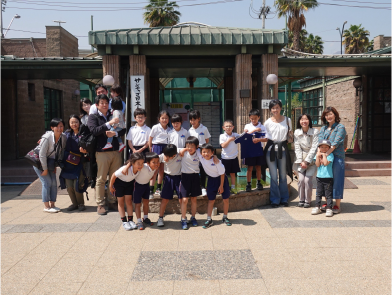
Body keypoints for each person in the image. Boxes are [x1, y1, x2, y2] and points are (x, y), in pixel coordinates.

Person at [87, 94, 125, 215]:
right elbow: (94, 130)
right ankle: (100, 204)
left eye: (106, 102)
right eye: (101, 103)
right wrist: (108, 125)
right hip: (102, 152)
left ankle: (112, 200)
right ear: (97, 105)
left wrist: (115, 134)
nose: (104, 105)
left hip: (116, 150)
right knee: (101, 178)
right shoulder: (93, 117)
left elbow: (123, 128)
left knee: (115, 177)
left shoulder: (113, 113)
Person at [256, 99, 293, 208]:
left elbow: (290, 135)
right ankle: (275, 199)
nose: (275, 110)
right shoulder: (267, 122)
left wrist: (287, 141)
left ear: (281, 108)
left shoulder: (287, 120)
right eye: (273, 108)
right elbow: (266, 137)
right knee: (273, 176)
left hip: (282, 149)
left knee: (282, 175)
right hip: (270, 150)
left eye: (277, 107)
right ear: (270, 110)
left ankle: (284, 198)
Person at [34, 118, 66, 213]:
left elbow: (60, 153)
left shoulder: (63, 137)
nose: (60, 128)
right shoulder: (47, 137)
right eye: (57, 126)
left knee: (53, 183)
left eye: (61, 126)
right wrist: (45, 169)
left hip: (51, 162)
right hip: (39, 162)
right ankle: (46, 207)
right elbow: (42, 154)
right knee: (47, 182)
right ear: (52, 127)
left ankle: (53, 204)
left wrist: (55, 165)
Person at [318, 107, 347, 214]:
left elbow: (335, 144)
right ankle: (327, 202)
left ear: (335, 115)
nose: (328, 117)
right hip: (324, 157)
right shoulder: (323, 129)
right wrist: (319, 154)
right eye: (326, 115)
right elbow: (319, 143)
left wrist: (325, 154)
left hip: (337, 157)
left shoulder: (340, 127)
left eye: (330, 114)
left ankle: (337, 205)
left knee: (337, 181)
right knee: (326, 180)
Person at [198, 143, 231, 228]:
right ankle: (209, 219)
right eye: (204, 152)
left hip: (221, 179)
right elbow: (194, 147)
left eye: (208, 152)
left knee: (225, 199)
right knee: (211, 200)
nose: (206, 154)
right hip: (211, 180)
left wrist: (221, 186)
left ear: (212, 152)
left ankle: (225, 217)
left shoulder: (216, 161)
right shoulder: (201, 157)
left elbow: (222, 173)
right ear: (201, 153)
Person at [109, 153, 145, 231]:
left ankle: (130, 220)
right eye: (138, 163)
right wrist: (110, 186)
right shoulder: (124, 169)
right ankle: (124, 221)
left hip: (129, 183)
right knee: (121, 202)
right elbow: (113, 175)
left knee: (129, 202)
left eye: (142, 163)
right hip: (119, 183)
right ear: (132, 163)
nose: (140, 165)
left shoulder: (140, 169)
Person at [60, 115, 88, 212]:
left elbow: (89, 145)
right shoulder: (66, 134)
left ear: (79, 122)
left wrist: (86, 151)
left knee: (77, 184)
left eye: (76, 122)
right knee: (69, 186)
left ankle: (81, 204)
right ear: (69, 124)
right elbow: (57, 139)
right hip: (68, 162)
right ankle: (74, 204)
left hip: (79, 162)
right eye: (72, 122)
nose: (74, 124)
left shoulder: (83, 133)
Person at [293, 114, 319, 208]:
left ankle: (308, 201)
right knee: (300, 180)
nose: (304, 121)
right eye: (302, 119)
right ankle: (301, 199)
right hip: (301, 160)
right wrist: (301, 161)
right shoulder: (296, 132)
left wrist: (307, 161)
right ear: (299, 121)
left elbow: (314, 148)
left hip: (311, 160)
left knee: (307, 180)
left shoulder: (315, 131)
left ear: (309, 121)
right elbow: (297, 147)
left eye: (306, 119)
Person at [177, 136, 202, 229]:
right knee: (184, 199)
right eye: (188, 146)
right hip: (185, 177)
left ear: (197, 146)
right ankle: (183, 219)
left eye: (192, 146)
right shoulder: (183, 152)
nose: (190, 148)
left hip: (195, 177)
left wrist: (215, 157)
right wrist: (183, 150)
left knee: (194, 199)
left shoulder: (199, 152)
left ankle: (193, 217)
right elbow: (175, 152)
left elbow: (208, 153)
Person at [156, 144, 183, 227]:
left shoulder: (179, 153)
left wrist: (183, 151)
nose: (167, 157)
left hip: (179, 178)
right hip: (168, 178)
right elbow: (154, 158)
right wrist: (162, 158)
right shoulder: (162, 156)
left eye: (169, 156)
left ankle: (183, 217)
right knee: (165, 199)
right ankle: (160, 217)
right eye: (166, 155)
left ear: (174, 155)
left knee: (181, 199)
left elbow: (186, 149)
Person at [132, 152, 160, 230]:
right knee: (138, 204)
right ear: (148, 163)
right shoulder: (143, 166)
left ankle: (145, 218)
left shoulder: (155, 168)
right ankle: (139, 221)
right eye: (153, 162)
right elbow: (133, 165)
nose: (156, 164)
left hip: (146, 186)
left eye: (157, 162)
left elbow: (151, 175)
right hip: (137, 186)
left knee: (146, 202)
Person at [243, 109, 268, 192]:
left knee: (258, 167)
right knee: (249, 167)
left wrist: (258, 140)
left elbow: (266, 139)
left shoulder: (263, 127)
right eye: (252, 119)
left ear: (259, 117)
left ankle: (259, 182)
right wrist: (254, 130)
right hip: (250, 149)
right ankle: (248, 184)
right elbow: (245, 136)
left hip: (259, 149)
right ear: (249, 118)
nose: (253, 120)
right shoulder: (247, 126)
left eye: (255, 118)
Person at [188, 109, 211, 196]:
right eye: (191, 120)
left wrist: (205, 152)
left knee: (203, 169)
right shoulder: (189, 131)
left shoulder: (204, 128)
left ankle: (203, 188)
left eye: (194, 119)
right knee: (193, 169)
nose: (192, 121)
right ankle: (194, 187)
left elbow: (207, 140)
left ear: (199, 119)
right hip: (193, 151)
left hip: (202, 151)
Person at [149, 110, 172, 197]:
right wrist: (151, 148)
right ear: (159, 119)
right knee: (154, 169)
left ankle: (158, 188)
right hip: (156, 147)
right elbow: (150, 138)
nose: (164, 120)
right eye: (162, 118)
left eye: (166, 118)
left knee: (162, 170)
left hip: (165, 148)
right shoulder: (155, 127)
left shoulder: (170, 129)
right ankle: (151, 189)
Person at [311, 140, 334, 217]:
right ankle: (317, 206)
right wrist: (317, 156)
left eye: (326, 147)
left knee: (328, 194)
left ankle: (329, 208)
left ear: (329, 148)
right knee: (319, 193)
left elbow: (325, 163)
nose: (323, 148)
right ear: (319, 148)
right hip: (319, 177)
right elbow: (317, 164)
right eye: (321, 147)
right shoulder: (318, 155)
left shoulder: (330, 155)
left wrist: (324, 155)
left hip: (328, 177)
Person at [219, 119, 241, 193]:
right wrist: (230, 140)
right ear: (223, 127)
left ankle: (233, 187)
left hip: (234, 157)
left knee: (233, 173)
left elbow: (242, 137)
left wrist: (247, 132)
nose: (228, 127)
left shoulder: (236, 135)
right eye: (227, 126)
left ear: (233, 127)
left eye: (230, 126)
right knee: (223, 174)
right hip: (225, 158)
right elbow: (223, 146)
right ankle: (224, 187)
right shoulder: (222, 136)